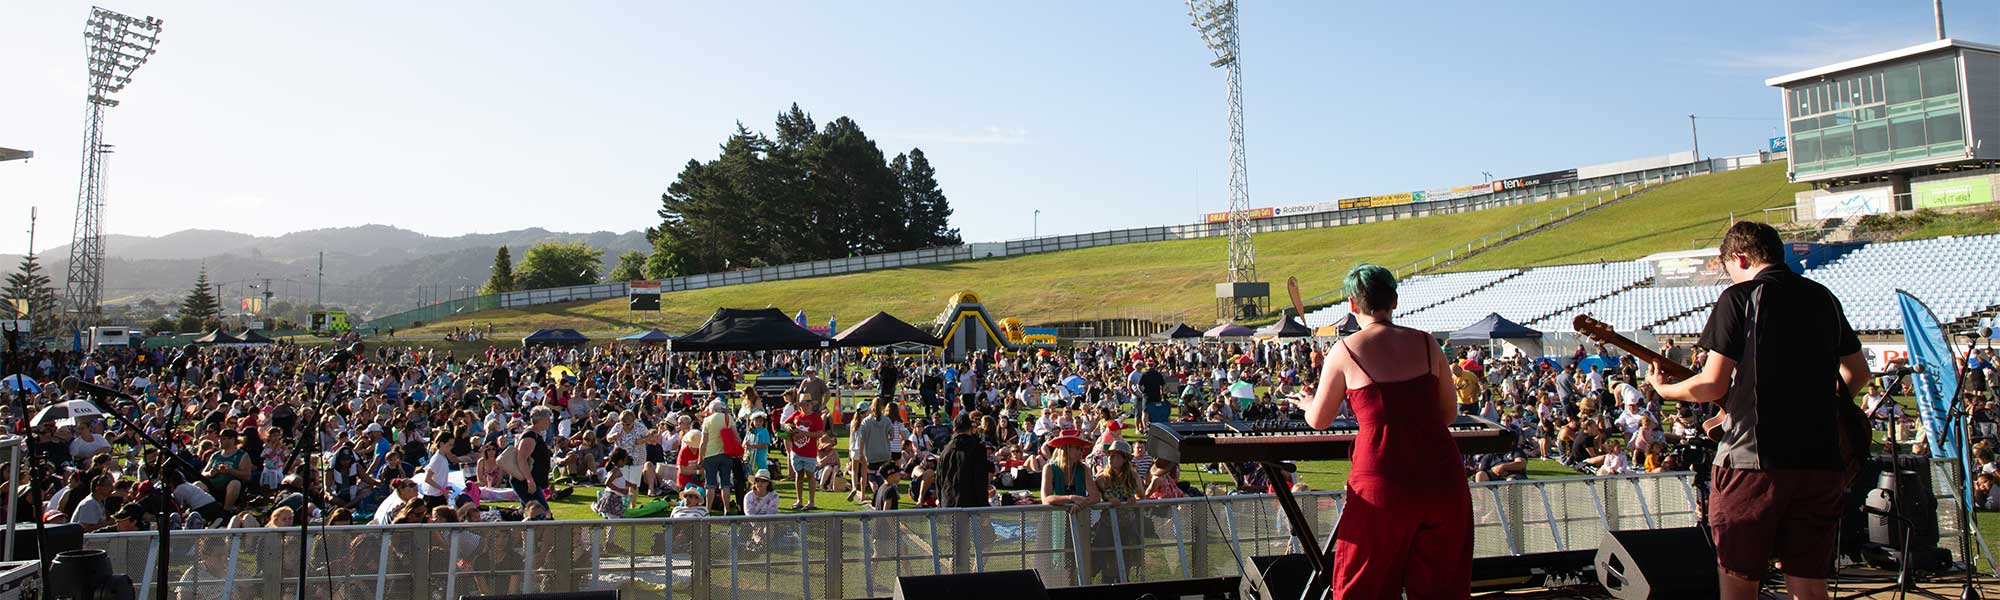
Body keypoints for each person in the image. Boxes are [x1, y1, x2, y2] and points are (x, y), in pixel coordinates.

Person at [1647, 221, 1869, 600]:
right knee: (1810, 585)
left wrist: (1664, 389)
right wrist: (1813, 400)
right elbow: (1858, 373)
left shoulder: (1740, 298)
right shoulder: (1824, 297)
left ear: (1740, 257)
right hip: (1821, 463)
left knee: (1739, 581)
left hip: (1754, 463)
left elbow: (1712, 384)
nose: (1729, 276)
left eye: (1728, 268)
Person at [1291, 263, 1470, 599]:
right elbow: (1447, 413)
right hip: (1443, 477)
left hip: (1383, 481)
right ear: (1395, 301)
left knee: (1364, 587)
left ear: (1353, 305)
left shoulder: (1344, 351)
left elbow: (1319, 420)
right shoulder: (1429, 344)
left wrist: (1307, 401)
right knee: (1441, 587)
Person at [935, 414, 992, 508]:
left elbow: (939, 480)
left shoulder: (946, 450)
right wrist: (983, 505)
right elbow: (980, 480)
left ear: (954, 429)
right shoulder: (977, 448)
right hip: (971, 504)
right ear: (970, 428)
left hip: (948, 503)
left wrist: (941, 502)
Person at [785, 395, 824, 510]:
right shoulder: (796, 415)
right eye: (802, 405)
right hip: (796, 451)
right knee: (799, 475)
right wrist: (788, 427)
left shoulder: (816, 418)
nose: (805, 408)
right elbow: (785, 423)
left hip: (810, 452)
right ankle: (799, 500)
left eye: (807, 405)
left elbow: (820, 433)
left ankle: (811, 502)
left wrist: (804, 433)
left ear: (812, 405)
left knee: (810, 476)